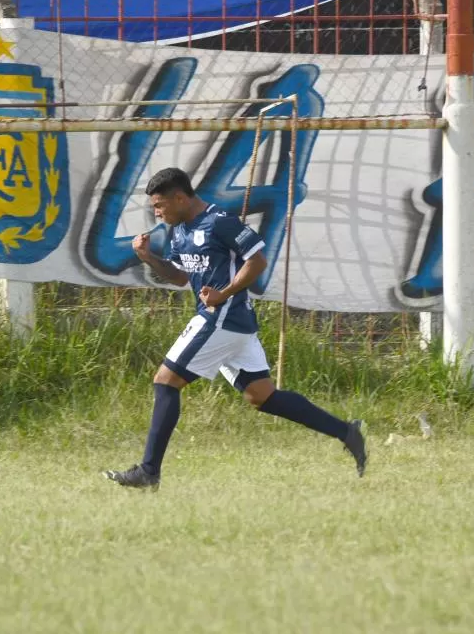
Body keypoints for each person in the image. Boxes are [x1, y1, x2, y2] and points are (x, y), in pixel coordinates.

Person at [103, 167, 367, 490]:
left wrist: (223, 293)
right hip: (232, 323)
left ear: (180, 198)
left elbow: (257, 262)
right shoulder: (179, 230)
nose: (156, 213)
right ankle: (347, 432)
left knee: (165, 381)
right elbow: (180, 277)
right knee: (262, 397)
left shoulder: (220, 221)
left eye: (160, 205)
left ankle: (148, 471)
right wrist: (148, 257)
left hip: (221, 317)